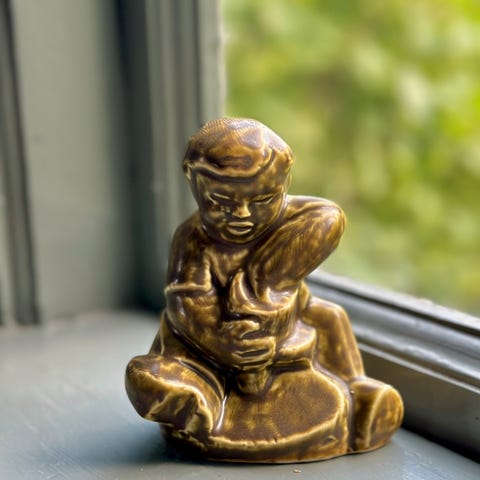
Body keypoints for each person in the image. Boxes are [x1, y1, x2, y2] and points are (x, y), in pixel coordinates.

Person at [125, 118, 403, 462]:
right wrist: (223, 344)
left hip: (287, 328)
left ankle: (359, 394)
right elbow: (187, 303)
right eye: (221, 202)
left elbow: (329, 218)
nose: (242, 214)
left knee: (330, 316)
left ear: (285, 185)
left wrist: (265, 281)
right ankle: (198, 399)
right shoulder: (193, 239)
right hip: (210, 341)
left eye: (263, 200)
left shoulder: (293, 219)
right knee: (153, 367)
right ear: (194, 185)